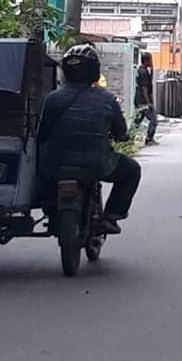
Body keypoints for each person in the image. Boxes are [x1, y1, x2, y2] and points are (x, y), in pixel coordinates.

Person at [38, 44, 141, 234]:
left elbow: (42, 133)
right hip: (98, 163)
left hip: (56, 163)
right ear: (95, 71)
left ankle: (51, 209)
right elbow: (120, 131)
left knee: (41, 171)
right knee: (132, 170)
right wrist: (122, 137)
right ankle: (111, 216)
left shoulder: (51, 99)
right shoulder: (107, 99)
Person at [132, 52, 158, 145]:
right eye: (150, 60)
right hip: (143, 101)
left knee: (138, 120)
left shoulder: (143, 70)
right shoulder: (143, 72)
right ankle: (149, 138)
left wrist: (152, 69)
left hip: (139, 100)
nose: (151, 61)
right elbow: (144, 89)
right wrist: (148, 103)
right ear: (146, 60)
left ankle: (129, 137)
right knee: (153, 120)